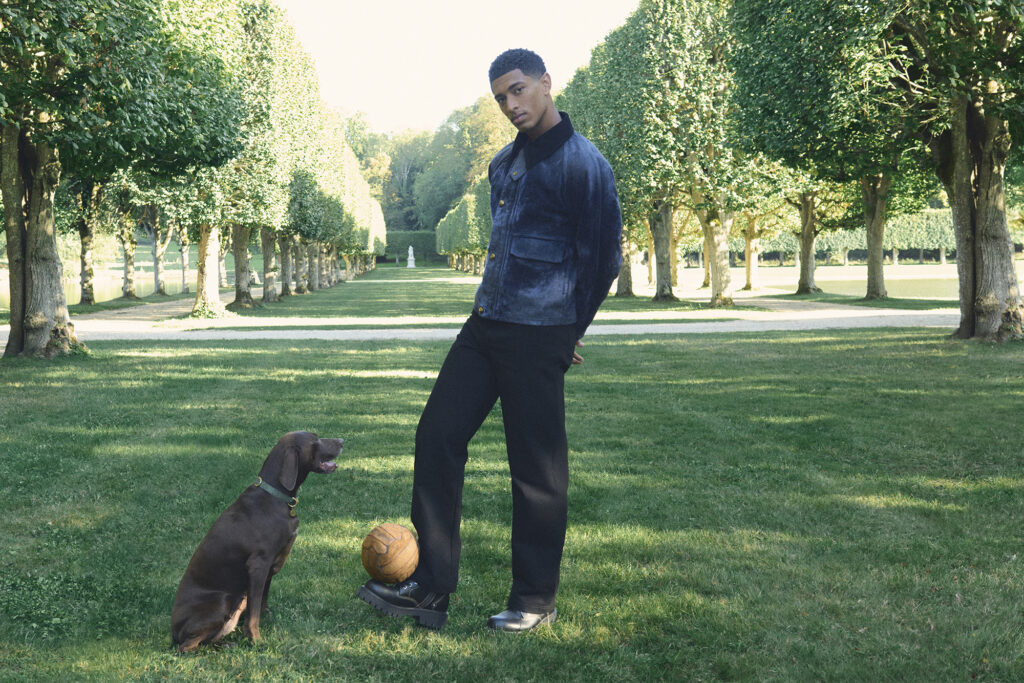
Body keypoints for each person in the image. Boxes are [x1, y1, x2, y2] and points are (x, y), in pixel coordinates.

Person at [357, 48, 622, 632]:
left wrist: (565, 333)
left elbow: (603, 262)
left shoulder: (584, 166)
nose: (511, 104)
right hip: (485, 325)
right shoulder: (504, 164)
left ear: (546, 84)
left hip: (539, 336)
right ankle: (431, 587)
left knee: (535, 472)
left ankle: (533, 599)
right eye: (501, 97)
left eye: (519, 90)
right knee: (437, 436)